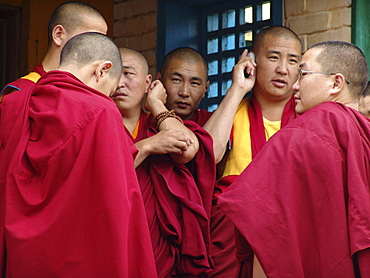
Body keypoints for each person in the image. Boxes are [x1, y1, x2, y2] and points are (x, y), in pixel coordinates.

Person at [0, 33, 157, 277]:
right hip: (78, 258)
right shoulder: (100, 110)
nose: (109, 98)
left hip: (21, 255)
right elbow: (117, 201)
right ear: (102, 70)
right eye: (111, 89)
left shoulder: (14, 103)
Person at [218, 41, 370, 277]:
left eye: (303, 74)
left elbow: (266, 233)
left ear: (336, 83)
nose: (295, 85)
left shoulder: (300, 136)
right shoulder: (364, 132)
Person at [200, 26, 302, 277]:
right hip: (234, 241)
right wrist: (236, 90)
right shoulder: (234, 110)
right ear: (252, 62)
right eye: (273, 57)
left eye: (293, 61)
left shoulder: (308, 116)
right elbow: (208, 156)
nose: (283, 69)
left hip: (292, 234)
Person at [112, 47, 215, 277]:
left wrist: (157, 105)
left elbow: (187, 148)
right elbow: (99, 174)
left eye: (128, 73)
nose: (119, 82)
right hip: (111, 238)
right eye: (113, 73)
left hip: (156, 247)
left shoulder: (157, 122)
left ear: (150, 82)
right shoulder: (96, 123)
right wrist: (148, 146)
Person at [0, 1, 107, 98]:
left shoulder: (92, 91)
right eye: (90, 39)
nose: (97, 48)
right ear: (58, 35)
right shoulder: (23, 91)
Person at [157, 47, 211, 126]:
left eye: (194, 83)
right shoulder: (141, 122)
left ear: (205, 88)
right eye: (176, 80)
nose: (184, 93)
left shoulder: (214, 122)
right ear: (159, 81)